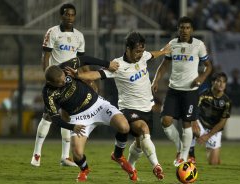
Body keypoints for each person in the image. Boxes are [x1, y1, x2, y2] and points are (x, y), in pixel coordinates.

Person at [74, 31, 171, 181]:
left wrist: (164, 51)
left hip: (146, 107)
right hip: (129, 109)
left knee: (139, 144)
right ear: (128, 49)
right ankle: (157, 166)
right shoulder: (118, 65)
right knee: (143, 129)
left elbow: (152, 54)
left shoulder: (143, 56)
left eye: (141, 51)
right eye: (137, 51)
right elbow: (97, 74)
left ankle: (130, 167)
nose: (140, 54)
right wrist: (78, 76)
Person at [43, 62, 132, 182]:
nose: (64, 82)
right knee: (77, 154)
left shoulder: (66, 69)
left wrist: (106, 63)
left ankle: (117, 155)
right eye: (60, 82)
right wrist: (72, 127)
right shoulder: (48, 94)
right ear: (50, 83)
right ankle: (84, 169)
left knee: (124, 127)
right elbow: (55, 118)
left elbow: (85, 59)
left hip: (98, 105)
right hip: (79, 118)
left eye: (64, 79)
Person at [31, 3, 87, 167]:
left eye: (72, 15)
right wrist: (48, 77)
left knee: (67, 116)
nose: (69, 17)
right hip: (56, 81)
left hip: (71, 82)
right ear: (61, 16)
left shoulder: (79, 36)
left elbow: (82, 62)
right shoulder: (53, 32)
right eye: (66, 14)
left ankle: (65, 157)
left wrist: (87, 79)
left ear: (75, 17)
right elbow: (46, 56)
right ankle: (36, 154)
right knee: (48, 116)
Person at [151, 16, 212, 166]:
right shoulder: (172, 44)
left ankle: (183, 156)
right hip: (173, 89)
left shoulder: (199, 45)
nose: (184, 30)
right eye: (182, 27)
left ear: (191, 30)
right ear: (178, 29)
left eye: (187, 28)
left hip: (190, 91)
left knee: (186, 124)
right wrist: (156, 80)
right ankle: (180, 147)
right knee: (165, 121)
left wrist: (201, 78)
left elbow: (208, 66)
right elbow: (164, 65)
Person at [189, 72, 232, 165]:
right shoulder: (204, 94)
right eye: (219, 81)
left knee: (213, 163)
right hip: (201, 124)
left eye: (224, 82)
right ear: (213, 82)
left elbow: (222, 123)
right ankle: (191, 154)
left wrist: (207, 136)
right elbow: (194, 108)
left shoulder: (227, 101)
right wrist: (194, 121)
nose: (221, 84)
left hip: (214, 130)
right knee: (190, 124)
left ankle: (215, 155)